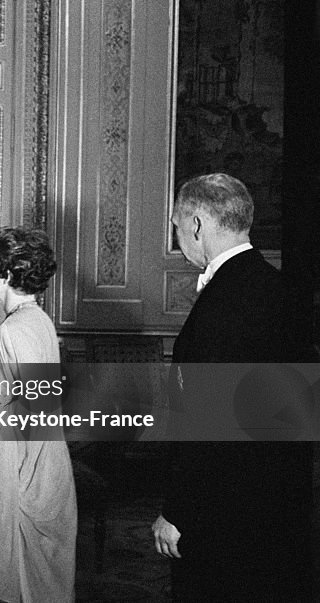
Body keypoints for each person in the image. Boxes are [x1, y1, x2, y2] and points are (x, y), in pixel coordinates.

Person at [153, 173, 315, 601]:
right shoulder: (281, 290)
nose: (177, 234)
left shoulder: (222, 305)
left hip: (222, 514)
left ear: (197, 225)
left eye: (176, 224)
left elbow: (204, 427)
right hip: (280, 501)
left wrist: (176, 511)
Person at [0, 226, 77, 602]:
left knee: (25, 571)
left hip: (23, 460)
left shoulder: (16, 328)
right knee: (36, 573)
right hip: (39, 453)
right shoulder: (36, 319)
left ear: (9, 275)